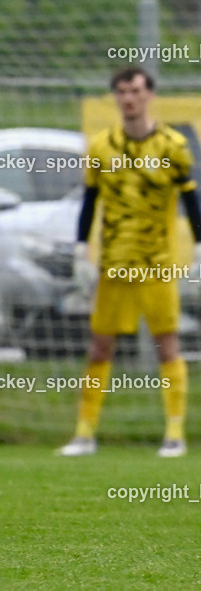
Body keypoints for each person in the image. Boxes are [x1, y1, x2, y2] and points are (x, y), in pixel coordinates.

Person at [60, 66, 201, 458]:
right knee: (100, 346)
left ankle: (174, 433)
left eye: (136, 91)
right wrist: (79, 250)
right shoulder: (102, 147)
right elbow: (90, 203)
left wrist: (200, 247)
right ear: (116, 97)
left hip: (156, 262)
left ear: (149, 95)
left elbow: (191, 199)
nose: (129, 99)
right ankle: (84, 432)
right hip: (114, 264)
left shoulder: (173, 144)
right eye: (122, 92)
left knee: (167, 345)